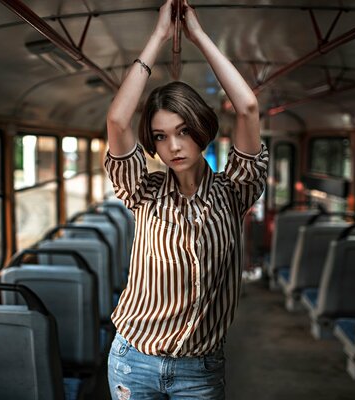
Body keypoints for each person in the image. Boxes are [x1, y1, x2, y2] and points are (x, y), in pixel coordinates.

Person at [104, 0, 268, 398]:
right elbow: (117, 121)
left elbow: (247, 107)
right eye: (160, 136)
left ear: (201, 129)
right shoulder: (141, 191)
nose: (173, 146)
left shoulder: (235, 192)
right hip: (133, 359)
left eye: (182, 130)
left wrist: (197, 35)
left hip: (200, 368)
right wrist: (159, 35)